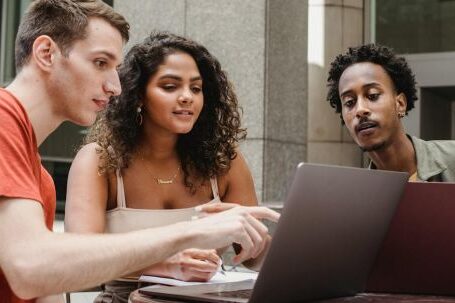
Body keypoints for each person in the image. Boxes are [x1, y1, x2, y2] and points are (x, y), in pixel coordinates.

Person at [0, 1, 279, 302]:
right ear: (46, 53)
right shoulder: (5, 118)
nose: (115, 87)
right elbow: (31, 269)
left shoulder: (38, 176)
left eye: (196, 88)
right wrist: (189, 237)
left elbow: (48, 283)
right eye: (100, 63)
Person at [64, 31, 266, 302]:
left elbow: (254, 260)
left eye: (196, 88)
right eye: (170, 87)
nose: (187, 97)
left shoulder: (224, 162)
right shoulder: (99, 161)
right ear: (137, 96)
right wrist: (164, 265)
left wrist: (259, 243)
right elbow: (77, 259)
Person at [326, 44, 455, 182]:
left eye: (372, 95)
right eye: (350, 102)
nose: (360, 110)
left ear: (400, 104)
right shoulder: (360, 196)